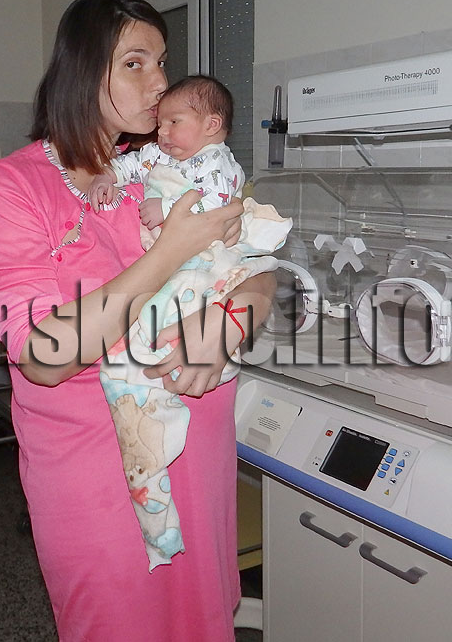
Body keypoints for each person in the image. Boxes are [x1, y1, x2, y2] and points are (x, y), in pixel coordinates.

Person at [0, 0, 275, 642]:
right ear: (82, 69)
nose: (160, 82)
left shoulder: (167, 167)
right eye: (135, 63)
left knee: (203, 622)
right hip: (96, 477)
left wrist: (231, 323)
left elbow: (257, 266)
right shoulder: (12, 186)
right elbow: (43, 354)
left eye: (161, 62)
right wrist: (168, 253)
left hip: (199, 457)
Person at [88, 75, 291, 570]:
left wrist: (164, 208)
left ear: (211, 126)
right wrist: (108, 175)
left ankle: (166, 372)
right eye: (160, 124)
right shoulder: (161, 153)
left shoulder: (216, 162)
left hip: (202, 261)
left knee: (179, 313)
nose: (161, 133)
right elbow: (132, 163)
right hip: (167, 266)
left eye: (173, 122)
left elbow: (219, 208)